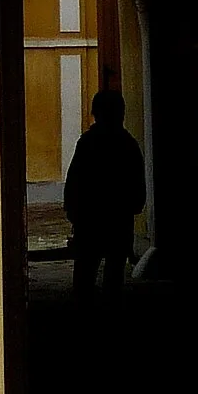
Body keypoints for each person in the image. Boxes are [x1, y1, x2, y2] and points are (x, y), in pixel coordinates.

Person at [63, 87, 146, 299]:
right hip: (119, 220)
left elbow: (74, 181)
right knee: (113, 278)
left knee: (84, 275)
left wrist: (73, 211)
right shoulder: (128, 145)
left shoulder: (87, 143)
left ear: (96, 113)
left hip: (89, 220)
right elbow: (138, 191)